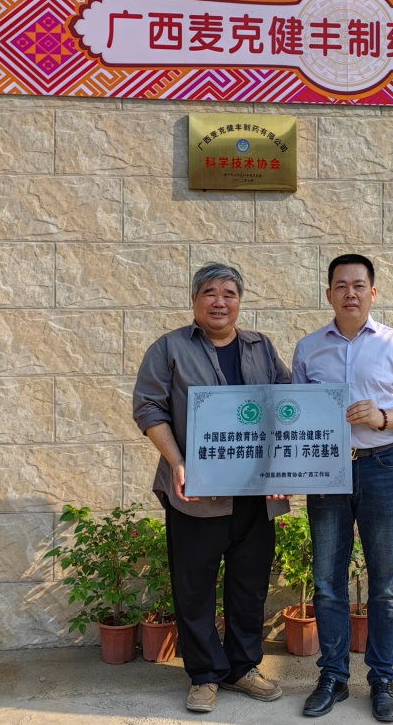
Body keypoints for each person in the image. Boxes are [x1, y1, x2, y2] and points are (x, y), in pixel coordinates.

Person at [132, 262, 290, 714]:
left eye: (229, 293)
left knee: (250, 585)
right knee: (194, 587)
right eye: (209, 293)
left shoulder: (261, 347)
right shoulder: (170, 348)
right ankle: (204, 674)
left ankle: (242, 667)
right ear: (194, 300)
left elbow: (287, 402)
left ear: (240, 301)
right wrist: (177, 462)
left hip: (255, 495)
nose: (220, 302)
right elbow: (148, 408)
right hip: (196, 494)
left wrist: (288, 470)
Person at [292, 253, 393, 723]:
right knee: (327, 581)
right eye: (341, 285)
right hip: (325, 472)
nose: (349, 293)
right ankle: (333, 676)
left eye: (358, 285)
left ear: (372, 293)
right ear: (328, 293)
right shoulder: (309, 348)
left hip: (381, 466)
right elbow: (294, 417)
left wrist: (384, 417)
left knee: (385, 583)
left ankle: (382, 679)